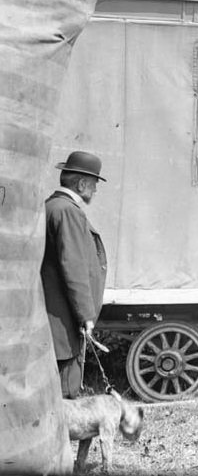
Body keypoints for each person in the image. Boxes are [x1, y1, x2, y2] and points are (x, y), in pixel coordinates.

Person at [40, 150, 108, 398]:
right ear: (82, 184)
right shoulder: (68, 211)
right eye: (94, 185)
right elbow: (74, 268)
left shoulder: (52, 206)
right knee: (66, 395)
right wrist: (86, 315)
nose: (95, 191)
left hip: (54, 318)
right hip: (63, 321)